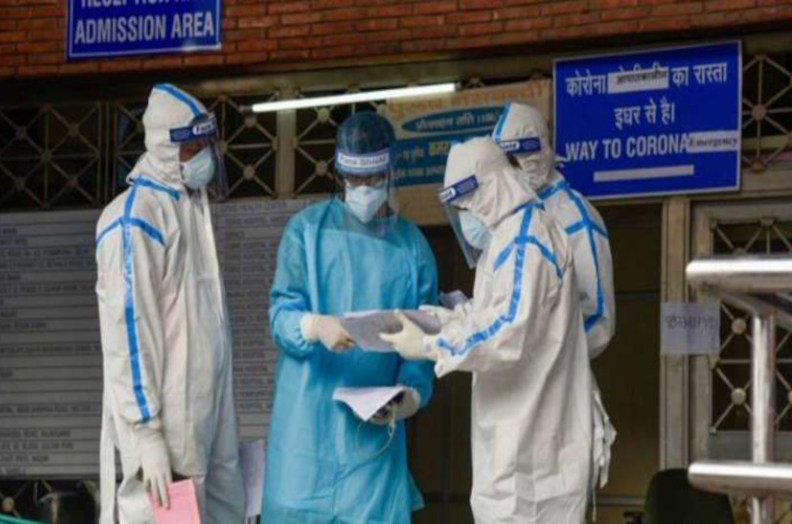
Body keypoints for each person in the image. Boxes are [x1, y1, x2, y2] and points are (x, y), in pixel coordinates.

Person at [381, 137, 594, 523]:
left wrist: (432, 342)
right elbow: (494, 316)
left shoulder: (526, 239)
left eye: (466, 205)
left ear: (491, 188)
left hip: (532, 461)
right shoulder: (510, 237)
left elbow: (507, 332)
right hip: (517, 450)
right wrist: (443, 319)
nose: (465, 218)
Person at [262, 111, 438, 523]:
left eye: (372, 178)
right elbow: (281, 314)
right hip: (305, 440)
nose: (363, 189)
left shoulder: (413, 249)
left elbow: (424, 343)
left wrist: (409, 398)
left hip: (372, 449)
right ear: (340, 174)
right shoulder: (307, 232)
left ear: (390, 172)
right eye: (354, 179)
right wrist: (313, 325)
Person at [95, 84, 245, 523]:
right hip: (167, 424)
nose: (202, 157)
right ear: (164, 147)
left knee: (223, 511)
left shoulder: (190, 208)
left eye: (205, 145)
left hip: (206, 413)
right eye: (191, 148)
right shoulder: (134, 219)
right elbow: (129, 335)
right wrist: (147, 432)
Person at [492, 101, 616, 490]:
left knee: (552, 497)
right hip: (512, 394)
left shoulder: (575, 217)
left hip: (558, 395)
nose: (518, 167)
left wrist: (541, 351)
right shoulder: (508, 219)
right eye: (508, 159)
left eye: (524, 154)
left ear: (544, 148)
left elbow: (599, 321)